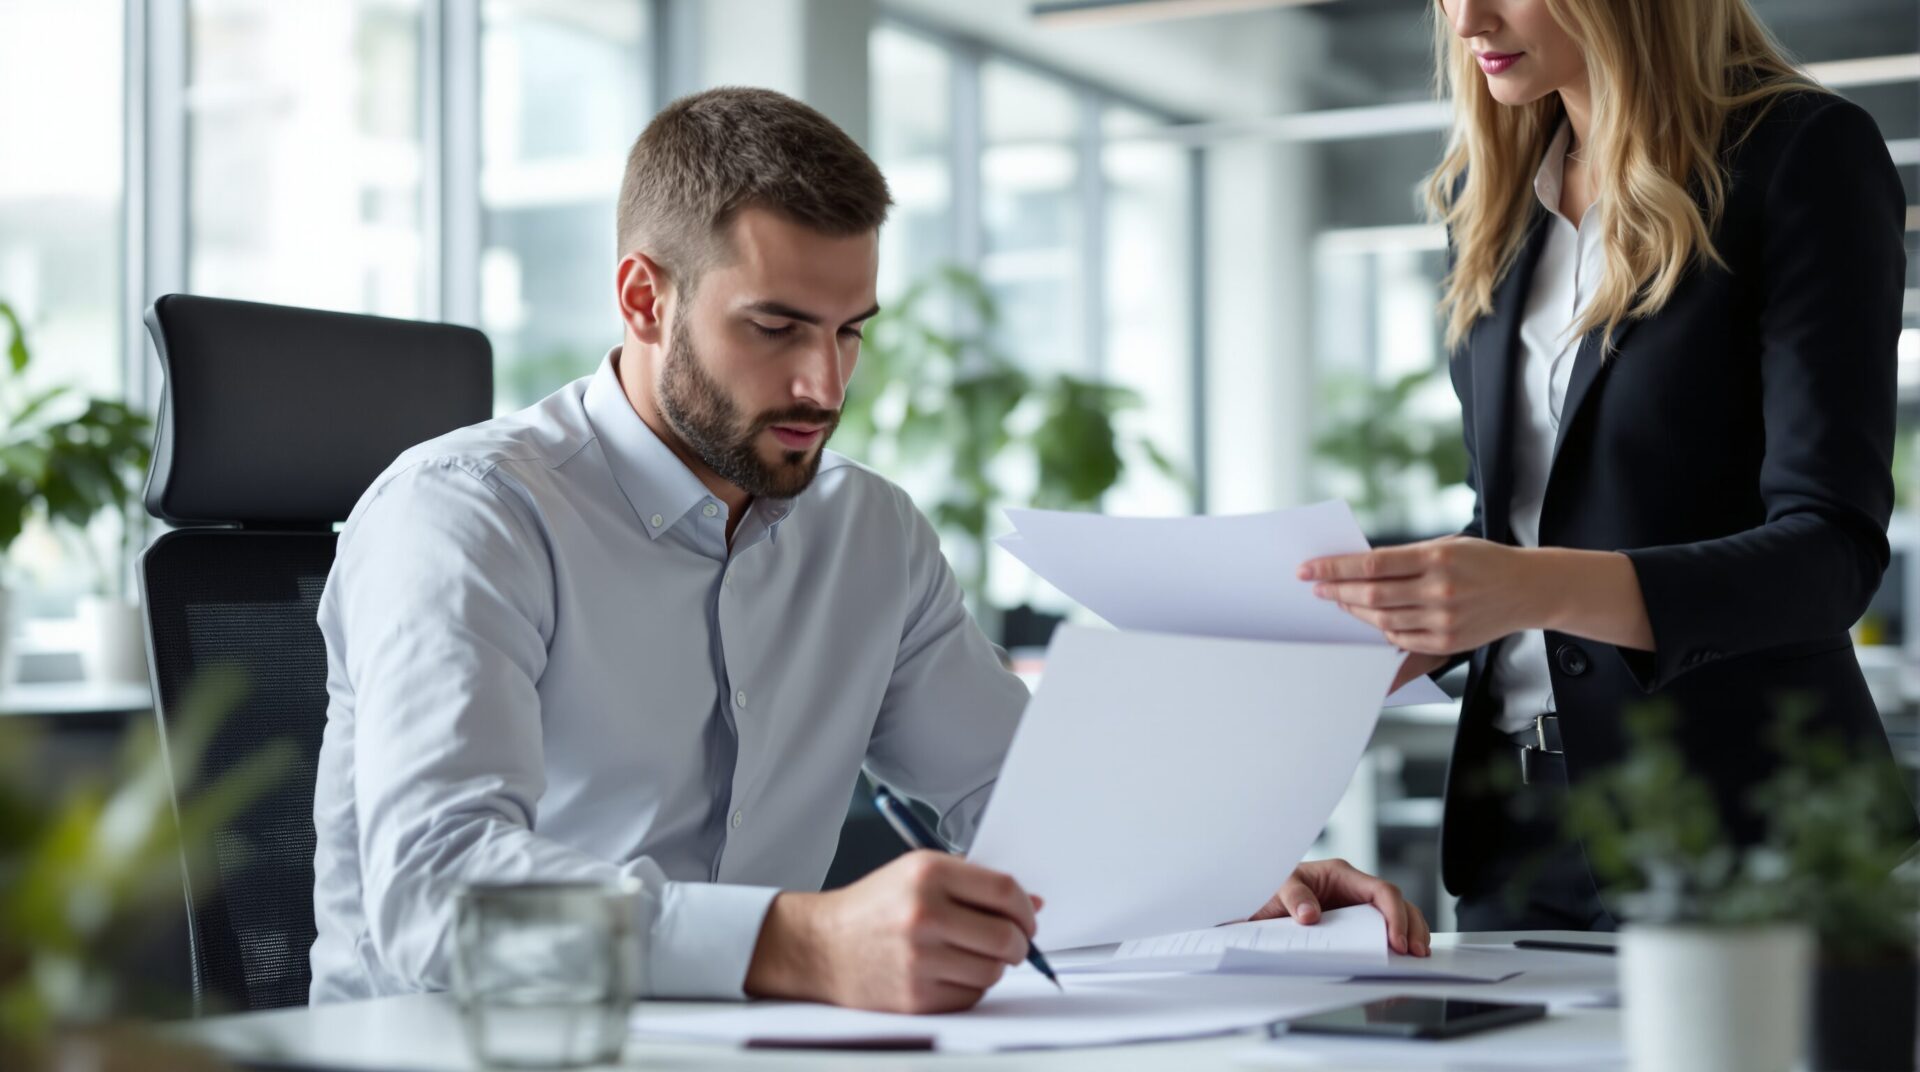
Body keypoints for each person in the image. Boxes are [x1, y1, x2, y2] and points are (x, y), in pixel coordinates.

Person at [309, 87, 1428, 1013]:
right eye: (777, 327)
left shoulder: (868, 533)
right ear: (645, 298)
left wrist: (1220, 881)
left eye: (850, 331)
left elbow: (1018, 804)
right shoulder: (464, 516)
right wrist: (800, 943)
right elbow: (438, 905)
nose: (825, 386)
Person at [1300, 0, 1920, 930]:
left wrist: (1527, 586)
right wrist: (1401, 622)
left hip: (1739, 827)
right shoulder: (1493, 192)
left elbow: (1828, 554)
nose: (1466, 19)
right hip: (1519, 833)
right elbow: (1516, 528)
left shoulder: (1802, 153)